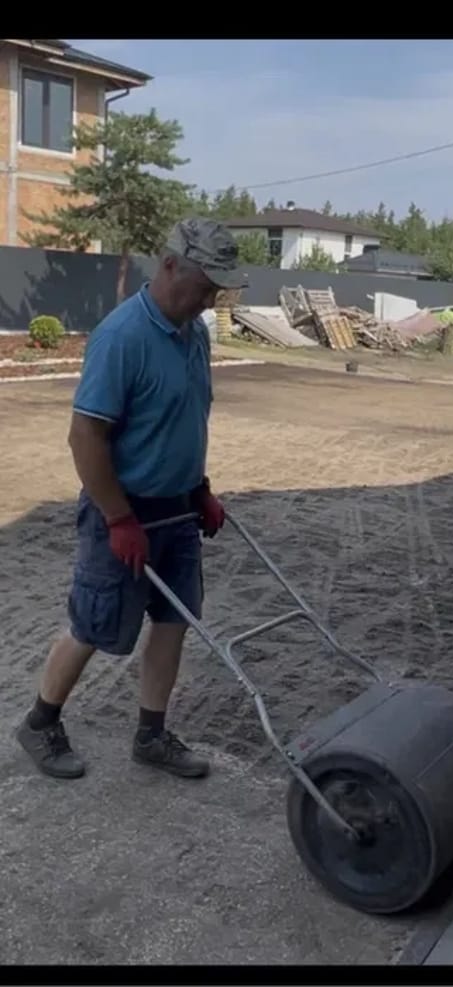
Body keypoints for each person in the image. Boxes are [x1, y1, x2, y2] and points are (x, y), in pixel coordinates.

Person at [15, 217, 247, 781]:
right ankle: (40, 723)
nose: (211, 298)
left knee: (174, 619)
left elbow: (183, 419)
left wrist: (199, 487)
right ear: (170, 265)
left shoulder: (196, 335)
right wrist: (119, 518)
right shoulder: (122, 338)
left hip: (177, 511)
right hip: (123, 511)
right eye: (205, 286)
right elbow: (85, 437)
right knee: (94, 623)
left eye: (218, 289)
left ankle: (151, 734)